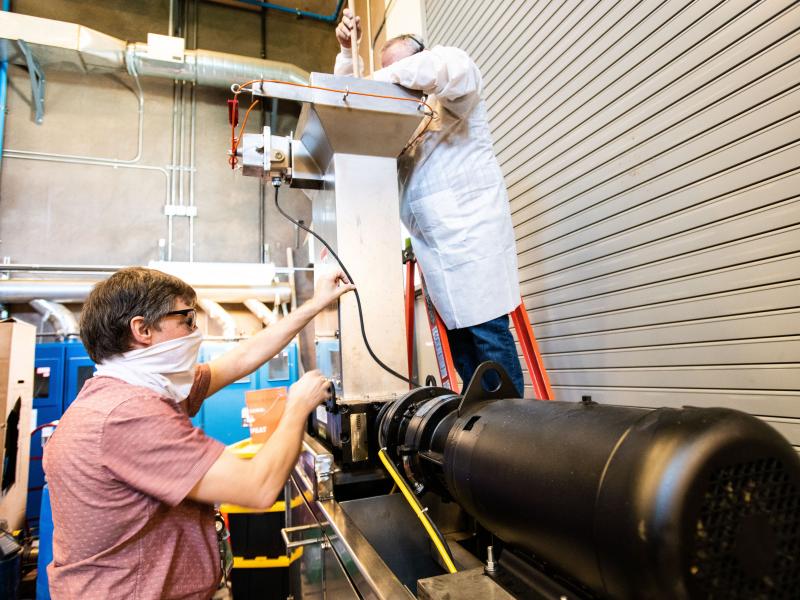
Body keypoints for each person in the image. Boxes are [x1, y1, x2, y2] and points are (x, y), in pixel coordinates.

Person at [43, 266, 355, 599]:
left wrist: (316, 304)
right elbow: (258, 487)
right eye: (187, 320)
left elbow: (239, 360)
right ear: (142, 329)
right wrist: (297, 406)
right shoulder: (129, 415)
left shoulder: (135, 389)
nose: (197, 332)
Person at [334, 10, 525, 396]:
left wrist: (378, 79)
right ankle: (480, 434)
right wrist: (346, 58)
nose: (396, 79)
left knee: (488, 340)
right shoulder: (401, 124)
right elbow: (345, 108)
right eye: (387, 71)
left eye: (401, 68)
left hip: (473, 243)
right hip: (436, 253)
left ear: (420, 57)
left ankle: (513, 434)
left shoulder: (452, 83)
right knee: (463, 352)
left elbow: (442, 68)